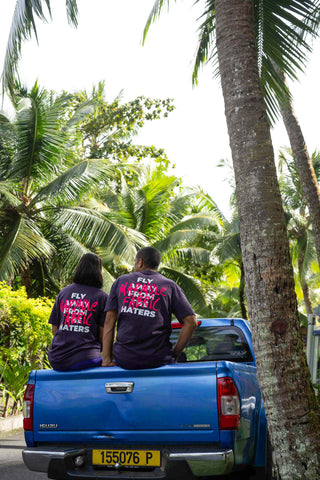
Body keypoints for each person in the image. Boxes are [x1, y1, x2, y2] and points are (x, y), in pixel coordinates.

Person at [102, 246, 197, 369]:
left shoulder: (121, 281)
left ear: (140, 262)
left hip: (125, 359)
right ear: (156, 265)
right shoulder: (169, 286)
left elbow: (109, 321)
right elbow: (191, 322)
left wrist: (107, 359)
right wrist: (174, 353)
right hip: (158, 359)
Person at [48, 253, 108, 371]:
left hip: (57, 359)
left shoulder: (64, 292)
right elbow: (103, 336)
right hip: (86, 359)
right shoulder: (102, 297)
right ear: (98, 271)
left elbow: (54, 329)